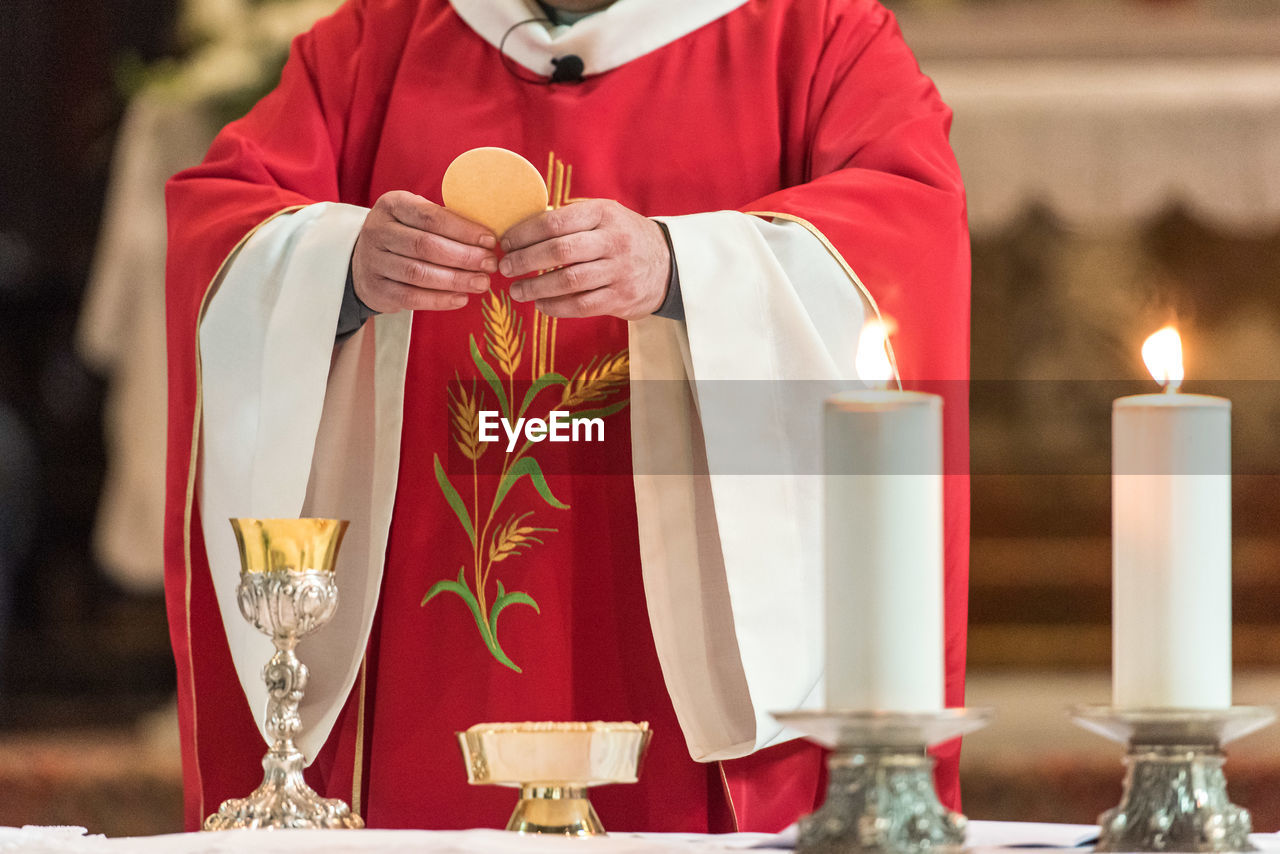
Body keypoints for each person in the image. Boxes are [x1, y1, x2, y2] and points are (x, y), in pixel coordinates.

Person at [164, 0, 970, 834]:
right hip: (422, 640)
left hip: (692, 641)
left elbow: (908, 230)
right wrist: (338, 265)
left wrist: (680, 267)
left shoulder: (817, 35)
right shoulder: (378, 40)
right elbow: (222, 222)